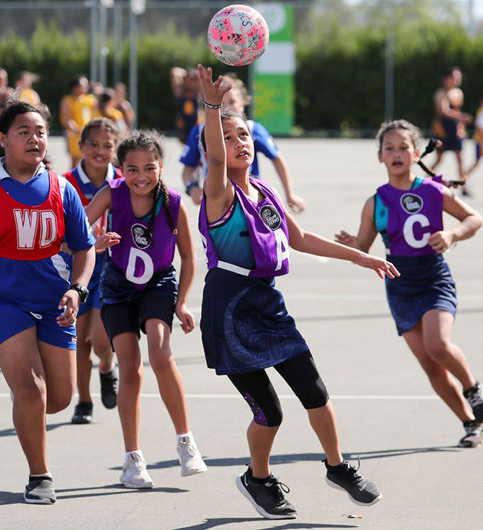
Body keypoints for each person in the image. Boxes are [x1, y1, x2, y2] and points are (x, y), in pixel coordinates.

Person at [197, 64, 399, 520]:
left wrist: (361, 257)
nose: (240, 143)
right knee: (270, 411)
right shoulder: (218, 193)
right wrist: (212, 107)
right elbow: (213, 159)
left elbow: (301, 237)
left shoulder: (265, 191)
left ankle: (338, 466)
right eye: (228, 138)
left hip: (267, 303)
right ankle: (258, 478)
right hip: (229, 310)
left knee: (315, 390)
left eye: (244, 136)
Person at [0, 100, 96, 504]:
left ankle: (24, 399)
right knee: (32, 390)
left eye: (40, 132)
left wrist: (78, 288)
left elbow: (85, 250)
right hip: (1, 300)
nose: (34, 139)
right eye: (23, 132)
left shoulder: (61, 188)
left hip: (54, 300)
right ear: (2, 139)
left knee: (60, 398)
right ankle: (40, 476)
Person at [336, 119, 483, 449]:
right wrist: (351, 245)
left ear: (416, 153)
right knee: (431, 367)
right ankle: (471, 423)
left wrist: (451, 234)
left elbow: (474, 218)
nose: (397, 153)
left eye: (404, 147)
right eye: (389, 148)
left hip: (433, 279)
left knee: (437, 343)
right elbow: (363, 248)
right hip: (400, 287)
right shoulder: (376, 203)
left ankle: (473, 390)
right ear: (380, 157)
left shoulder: (433, 190)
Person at [85, 129, 207, 488]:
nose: (140, 176)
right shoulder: (111, 193)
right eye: (132, 169)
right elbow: (76, 232)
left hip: (158, 284)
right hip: (118, 286)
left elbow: (187, 256)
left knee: (160, 352)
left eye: (149, 168)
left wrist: (182, 302)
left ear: (161, 166)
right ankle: (133, 459)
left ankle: (186, 442)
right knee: (131, 367)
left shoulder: (171, 202)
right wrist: (96, 242)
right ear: (119, 168)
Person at [62, 118, 122, 424]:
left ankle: (107, 367)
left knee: (100, 340)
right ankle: (83, 401)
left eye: (107, 146)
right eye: (93, 145)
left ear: (116, 149)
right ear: (81, 146)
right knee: (80, 341)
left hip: (112, 272)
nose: (100, 151)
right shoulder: (64, 183)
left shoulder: (125, 181)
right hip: (77, 273)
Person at [180, 74, 305, 213]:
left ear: (242, 104)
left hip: (250, 199)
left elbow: (276, 158)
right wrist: (192, 188)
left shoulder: (252, 129)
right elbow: (188, 170)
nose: (226, 107)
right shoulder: (199, 132)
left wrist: (289, 194)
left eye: (232, 101)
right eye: (221, 103)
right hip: (217, 202)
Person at [430, 66, 473, 195]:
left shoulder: (458, 93)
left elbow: (457, 111)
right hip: (443, 130)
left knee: (460, 158)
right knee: (439, 159)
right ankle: (424, 179)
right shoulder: (441, 93)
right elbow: (443, 111)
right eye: (454, 78)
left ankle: (464, 186)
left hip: (455, 130)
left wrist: (462, 128)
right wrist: (462, 117)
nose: (456, 80)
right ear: (446, 79)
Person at [59, 75, 97, 169]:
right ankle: (71, 182)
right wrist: (77, 129)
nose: (86, 87)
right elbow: (68, 120)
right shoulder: (68, 100)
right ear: (75, 87)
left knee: (89, 160)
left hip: (89, 134)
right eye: (83, 85)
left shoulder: (90, 99)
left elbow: (101, 109)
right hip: (75, 135)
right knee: (76, 161)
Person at [170, 66, 202, 145]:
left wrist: (193, 75)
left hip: (196, 124)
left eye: (191, 80)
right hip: (183, 125)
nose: (189, 82)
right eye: (187, 79)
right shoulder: (180, 91)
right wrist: (187, 74)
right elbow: (174, 71)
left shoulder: (197, 92)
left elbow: (202, 75)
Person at [466, 93, 483, 177]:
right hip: (480, 141)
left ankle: (464, 176)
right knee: (476, 162)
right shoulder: (481, 112)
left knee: (476, 163)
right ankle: (464, 177)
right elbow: (480, 128)